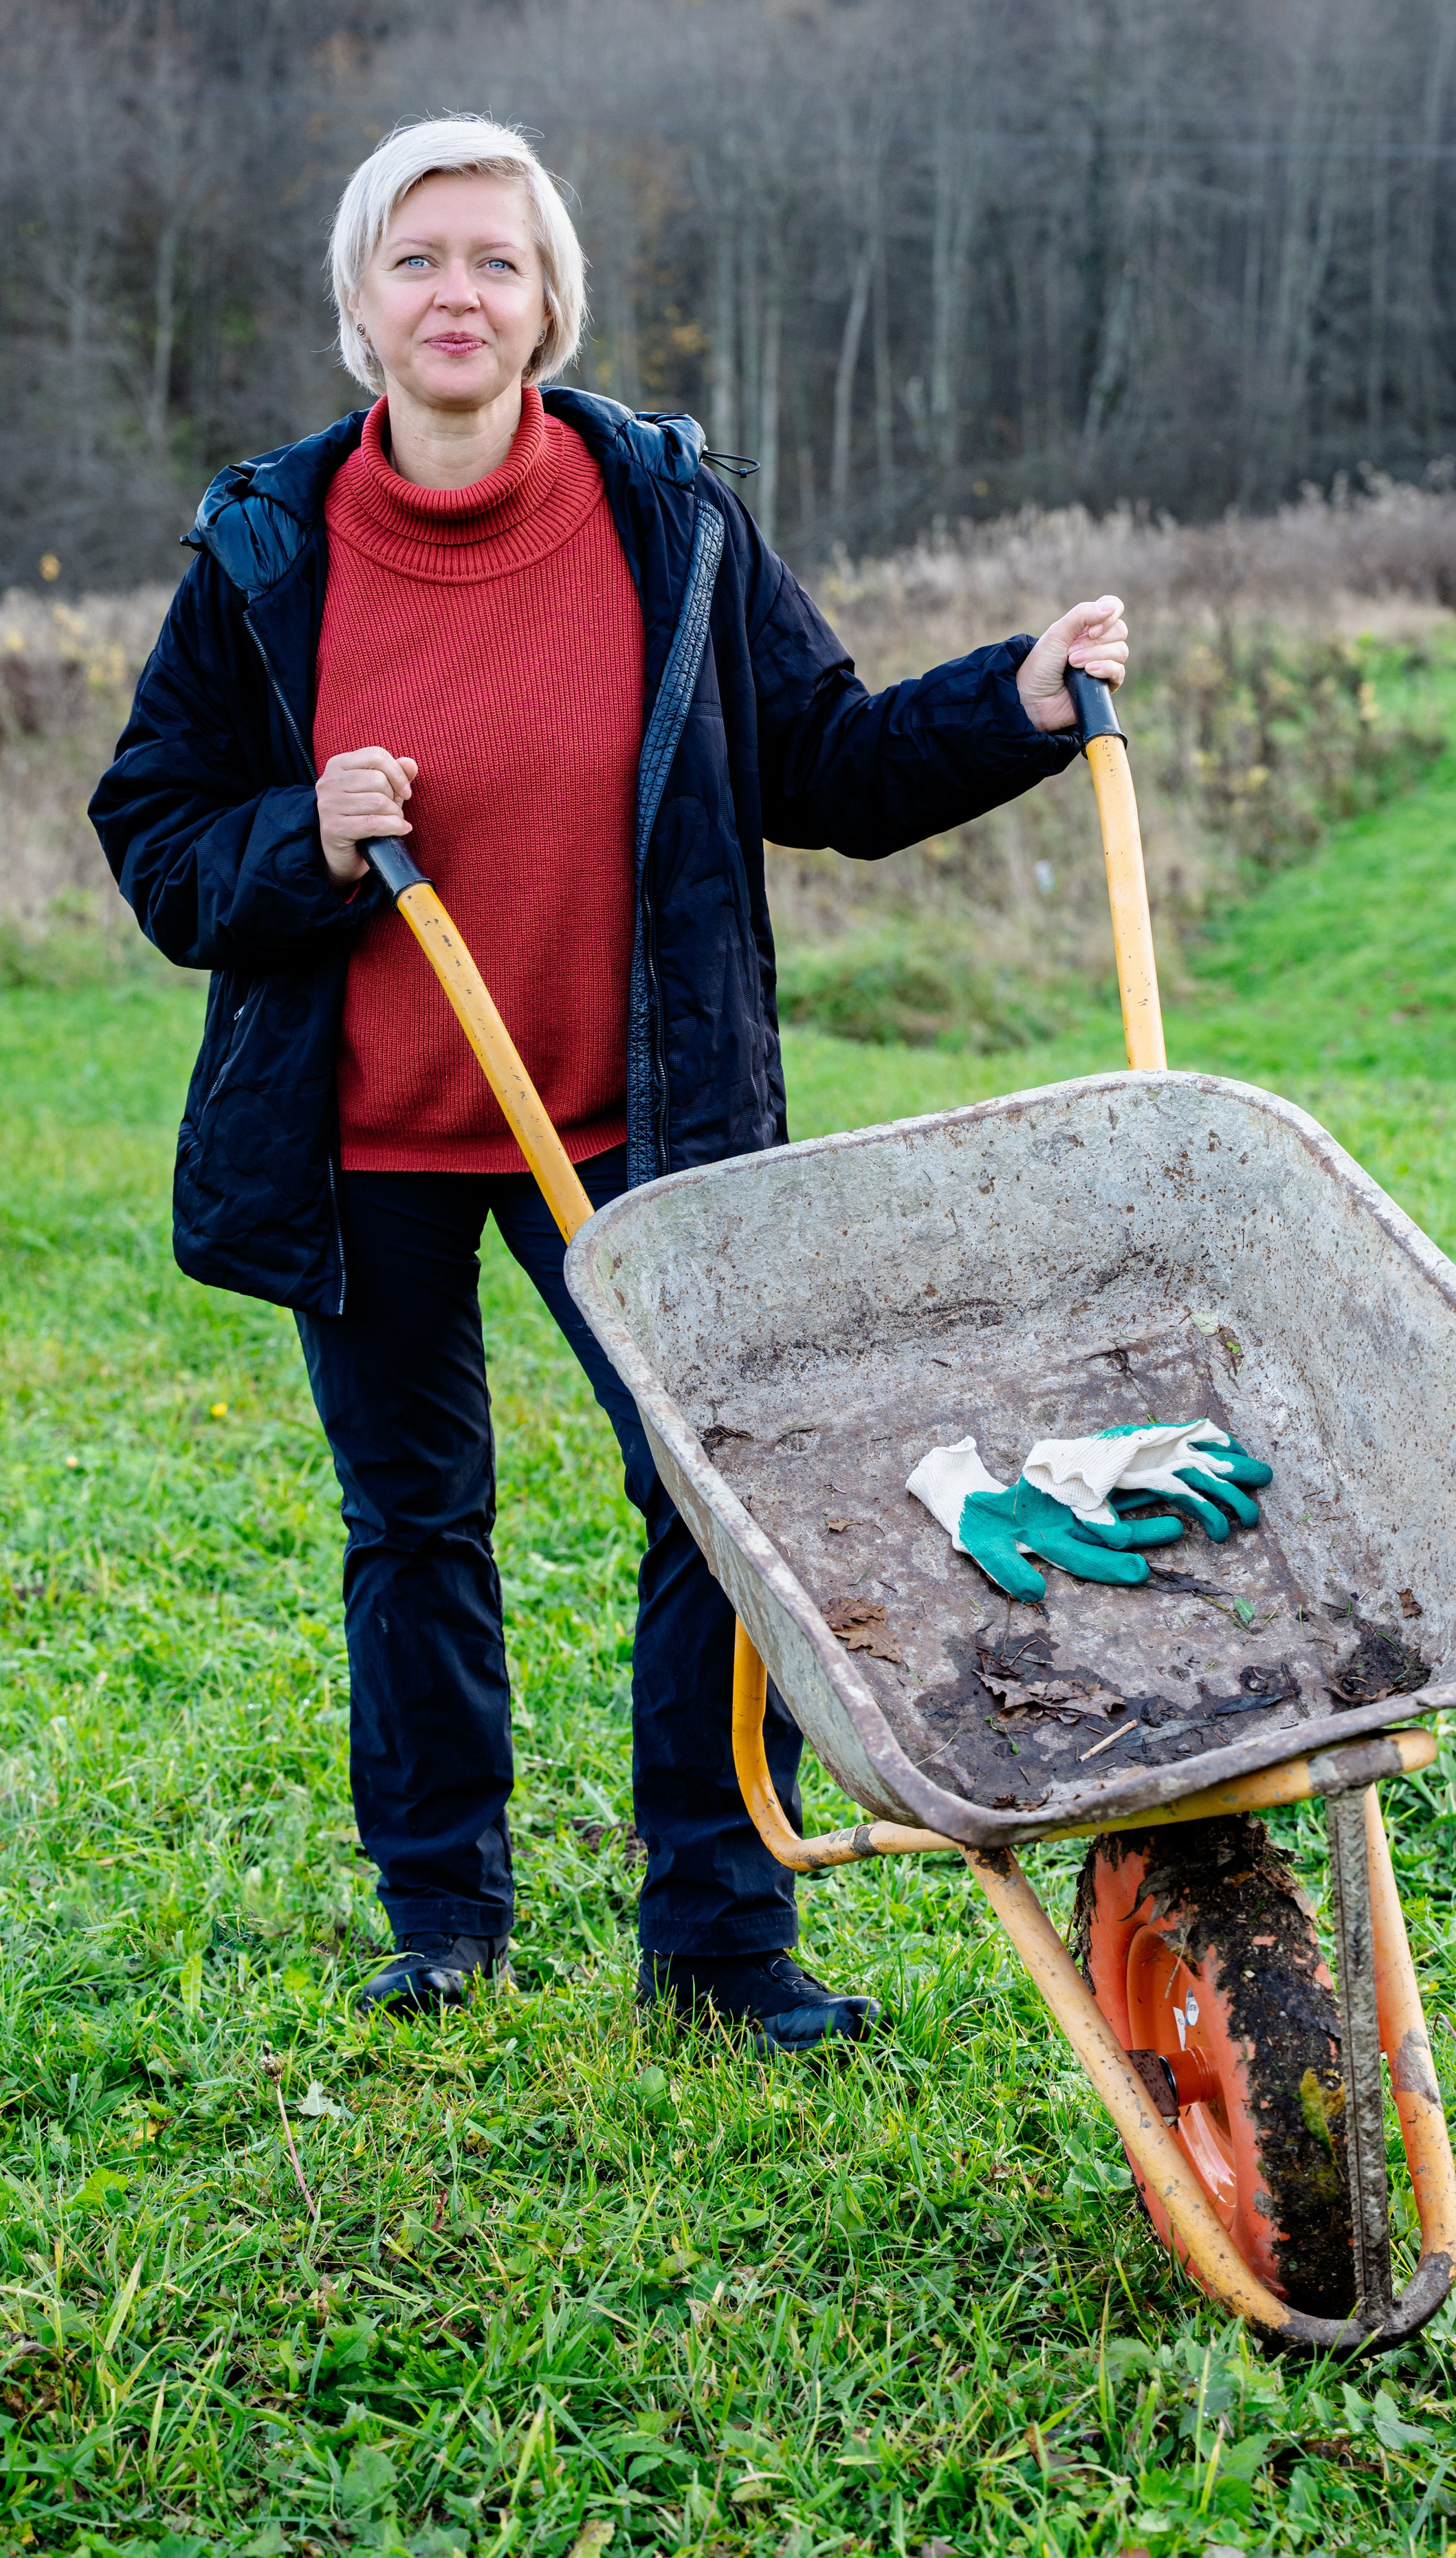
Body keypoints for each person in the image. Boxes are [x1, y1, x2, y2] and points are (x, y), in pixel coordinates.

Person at [89, 116, 1130, 2046]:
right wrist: (296, 839)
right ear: (358, 307)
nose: (456, 294)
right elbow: (155, 837)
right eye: (417, 262)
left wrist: (1017, 700)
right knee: (415, 1523)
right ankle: (445, 1921)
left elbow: (821, 760)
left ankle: (723, 1942)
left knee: (713, 1510)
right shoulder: (262, 552)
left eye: (493, 259)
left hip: (634, 1127)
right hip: (367, 1142)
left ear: (550, 299)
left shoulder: (672, 520)